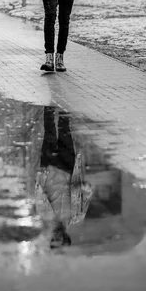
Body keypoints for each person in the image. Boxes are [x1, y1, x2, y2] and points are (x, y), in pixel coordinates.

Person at [35, 106, 93, 249]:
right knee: (65, 130)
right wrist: (84, 187)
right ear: (66, 238)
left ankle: (48, 106)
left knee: (49, 131)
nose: (56, 237)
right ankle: (63, 105)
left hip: (48, 168)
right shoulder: (77, 215)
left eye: (53, 239)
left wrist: (40, 175)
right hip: (68, 168)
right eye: (58, 240)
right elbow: (87, 194)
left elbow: (38, 194)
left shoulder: (44, 216)